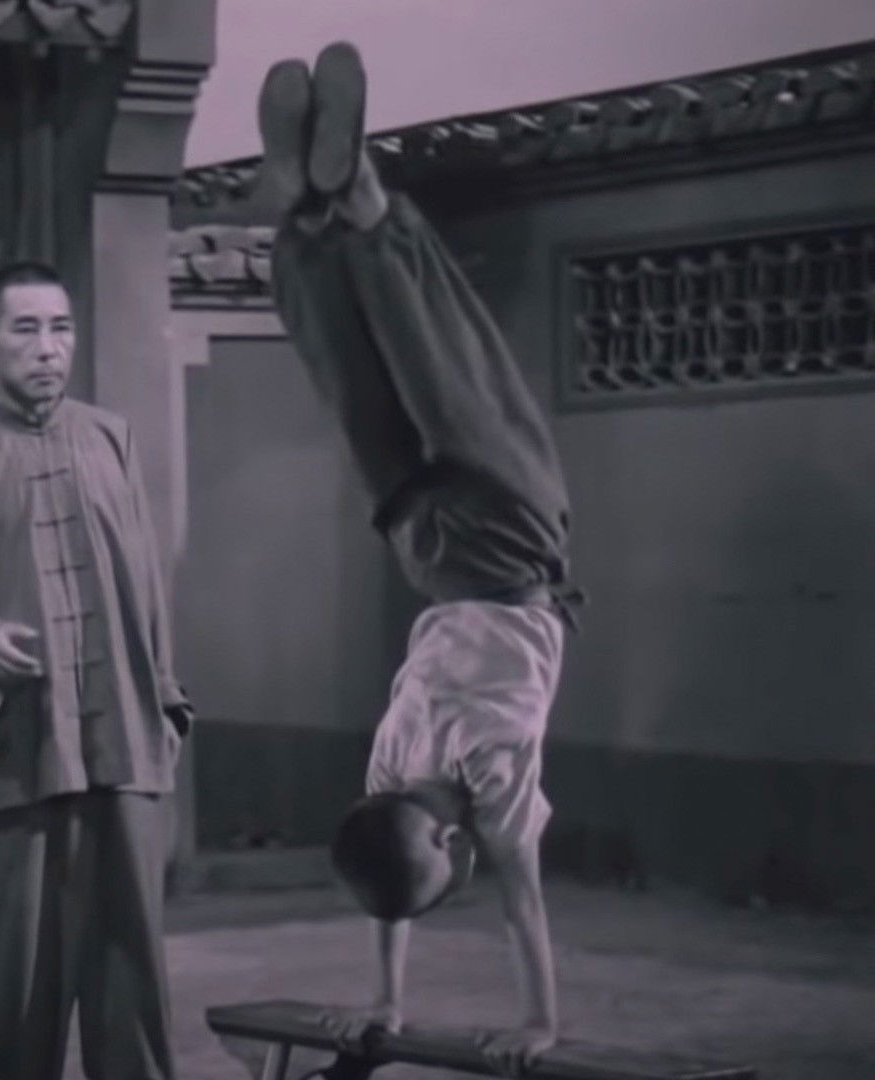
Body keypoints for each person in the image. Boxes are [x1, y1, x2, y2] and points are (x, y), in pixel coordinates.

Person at [258, 43, 581, 1080]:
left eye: (457, 870)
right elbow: (386, 889)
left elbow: (523, 909)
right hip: (421, 550)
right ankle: (309, 235)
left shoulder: (491, 781)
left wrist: (540, 1025)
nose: (474, 866)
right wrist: (384, 999)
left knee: (457, 369)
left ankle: (366, 207)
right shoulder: (389, 771)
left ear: (448, 843)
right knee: (363, 387)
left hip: (514, 548)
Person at [0, 261, 193, 1080]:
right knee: (19, 988)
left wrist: (165, 699)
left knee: (133, 979)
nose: (49, 348)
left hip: (123, 741)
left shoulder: (111, 438)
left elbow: (145, 581)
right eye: (26, 329)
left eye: (61, 328)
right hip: (13, 748)